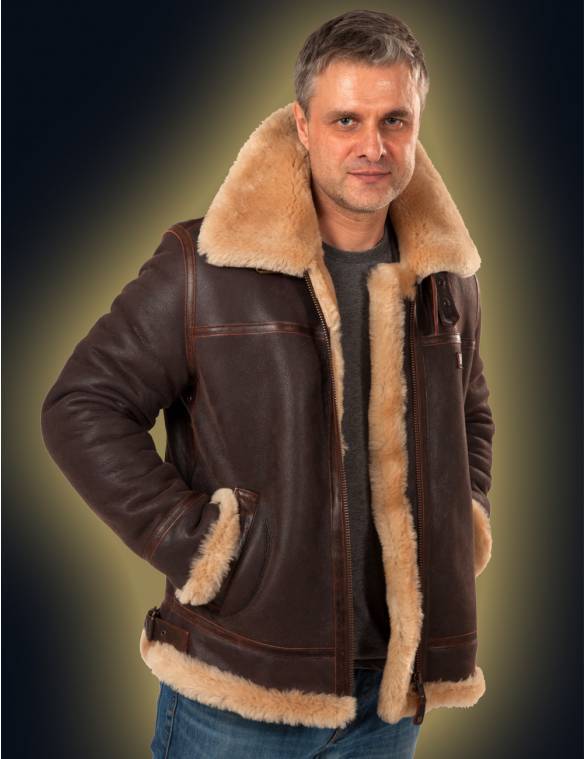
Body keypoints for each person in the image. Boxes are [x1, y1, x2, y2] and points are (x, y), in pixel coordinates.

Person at [40, 9, 495, 758]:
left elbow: (471, 409)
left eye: (394, 120)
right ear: (303, 125)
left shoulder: (444, 276)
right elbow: (81, 405)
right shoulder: (205, 263)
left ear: (417, 124)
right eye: (346, 120)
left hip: (391, 696)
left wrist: (462, 517)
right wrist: (202, 545)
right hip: (236, 689)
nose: (373, 146)